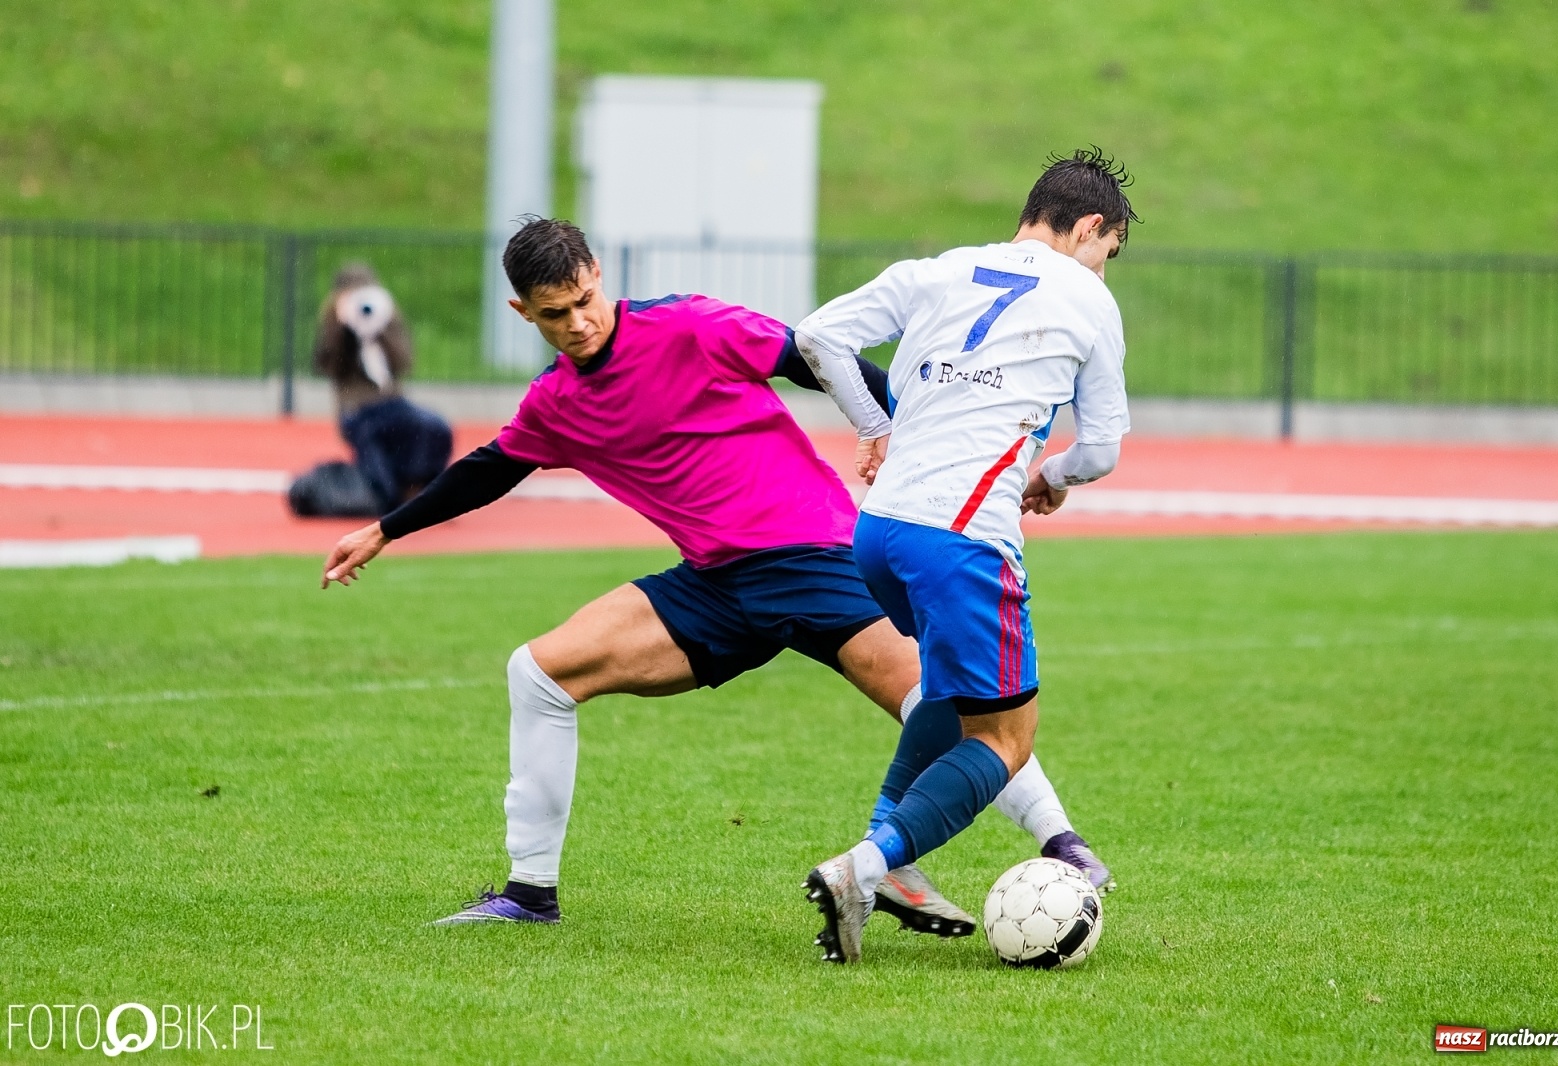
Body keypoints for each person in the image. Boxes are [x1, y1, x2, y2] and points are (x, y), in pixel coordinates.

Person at [320, 218, 1112, 932]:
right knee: (538, 673)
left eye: (586, 299)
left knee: (941, 698)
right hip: (715, 586)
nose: (580, 322)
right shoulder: (556, 403)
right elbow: (488, 471)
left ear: (599, 273)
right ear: (524, 313)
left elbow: (812, 357)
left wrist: (903, 433)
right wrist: (385, 530)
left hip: (812, 551)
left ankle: (1058, 844)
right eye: (555, 314)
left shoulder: (692, 326)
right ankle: (530, 894)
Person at [796, 148, 1136, 963]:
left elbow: (817, 337)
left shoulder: (942, 269)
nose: (1104, 267)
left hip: (878, 531)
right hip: (964, 539)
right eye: (1108, 250)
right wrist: (1049, 478)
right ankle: (865, 865)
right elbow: (1102, 451)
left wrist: (874, 427)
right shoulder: (1087, 297)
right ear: (1091, 228)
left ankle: (893, 858)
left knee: (952, 692)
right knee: (1006, 738)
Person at [308, 263, 454, 514]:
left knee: (436, 428)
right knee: (372, 435)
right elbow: (327, 364)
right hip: (358, 409)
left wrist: (379, 331)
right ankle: (387, 497)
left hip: (392, 403)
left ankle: (423, 490)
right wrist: (346, 330)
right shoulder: (334, 325)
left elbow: (404, 362)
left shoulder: (385, 318)